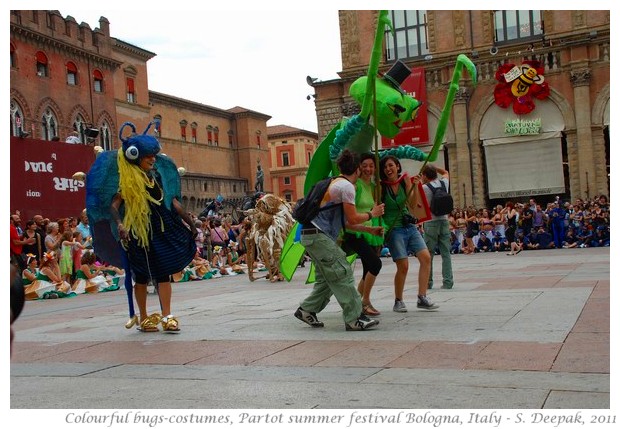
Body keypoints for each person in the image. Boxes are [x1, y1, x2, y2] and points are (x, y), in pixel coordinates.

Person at [110, 123, 197, 333]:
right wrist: (121, 224)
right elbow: (114, 206)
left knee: (164, 272)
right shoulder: (126, 180)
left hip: (163, 228)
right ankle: (144, 317)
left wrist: (190, 222)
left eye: (153, 155)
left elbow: (172, 202)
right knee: (141, 275)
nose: (152, 159)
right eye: (148, 156)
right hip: (139, 231)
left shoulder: (156, 177)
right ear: (135, 156)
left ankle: (167, 315)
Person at [295, 149, 384, 331]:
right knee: (341, 271)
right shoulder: (347, 187)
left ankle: (307, 310)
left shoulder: (334, 183)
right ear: (357, 170)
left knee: (327, 278)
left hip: (311, 235)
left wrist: (369, 229)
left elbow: (345, 223)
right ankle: (354, 318)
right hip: (319, 236)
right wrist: (371, 213)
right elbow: (352, 218)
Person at [379, 155, 439, 312]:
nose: (388, 169)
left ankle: (422, 296)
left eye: (391, 165)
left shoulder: (404, 181)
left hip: (409, 226)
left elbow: (412, 204)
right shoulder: (381, 186)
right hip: (394, 229)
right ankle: (398, 300)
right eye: (385, 167)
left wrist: (413, 186)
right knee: (403, 265)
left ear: (398, 167)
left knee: (426, 258)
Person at [341, 153, 384, 316]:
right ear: (359, 167)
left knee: (368, 268)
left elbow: (374, 209)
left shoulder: (373, 187)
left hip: (369, 231)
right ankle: (365, 301)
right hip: (354, 232)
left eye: (371, 165)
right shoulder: (355, 186)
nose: (368, 168)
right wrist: (372, 213)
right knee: (375, 264)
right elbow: (350, 213)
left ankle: (357, 303)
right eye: (364, 165)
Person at [421, 164, 454, 290]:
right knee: (446, 253)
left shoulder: (424, 188)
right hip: (444, 221)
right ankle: (448, 282)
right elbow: (446, 172)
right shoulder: (444, 183)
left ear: (424, 175)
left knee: (428, 254)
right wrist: (435, 167)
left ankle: (428, 282)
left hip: (431, 222)